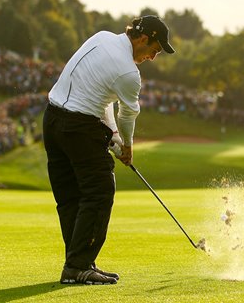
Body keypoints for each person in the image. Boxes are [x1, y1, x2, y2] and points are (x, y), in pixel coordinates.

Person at [43, 15, 174, 285]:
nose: (153, 57)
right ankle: (78, 265)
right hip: (79, 127)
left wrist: (113, 136)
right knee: (100, 190)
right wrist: (127, 145)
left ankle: (78, 264)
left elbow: (103, 99)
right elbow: (128, 115)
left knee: (71, 196)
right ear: (142, 38)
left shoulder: (101, 38)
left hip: (53, 120)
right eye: (154, 49)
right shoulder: (129, 72)